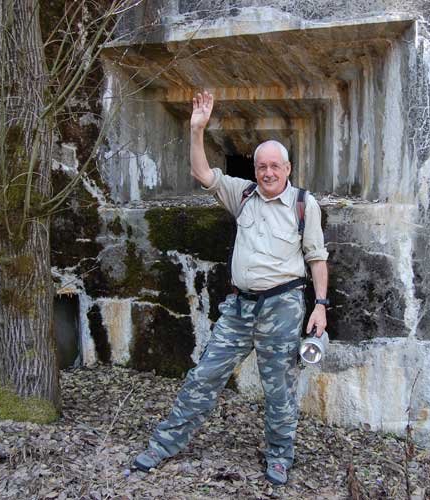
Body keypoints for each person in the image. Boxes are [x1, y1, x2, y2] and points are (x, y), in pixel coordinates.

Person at [133, 92, 330, 485]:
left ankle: (279, 456)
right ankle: (163, 445)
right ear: (254, 169)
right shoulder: (242, 195)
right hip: (239, 308)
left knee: (279, 390)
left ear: (288, 168)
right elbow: (203, 174)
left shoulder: (304, 205)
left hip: (284, 306)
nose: (268, 172)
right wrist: (197, 130)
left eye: (275, 166)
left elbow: (317, 257)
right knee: (204, 376)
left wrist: (320, 305)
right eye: (261, 166)